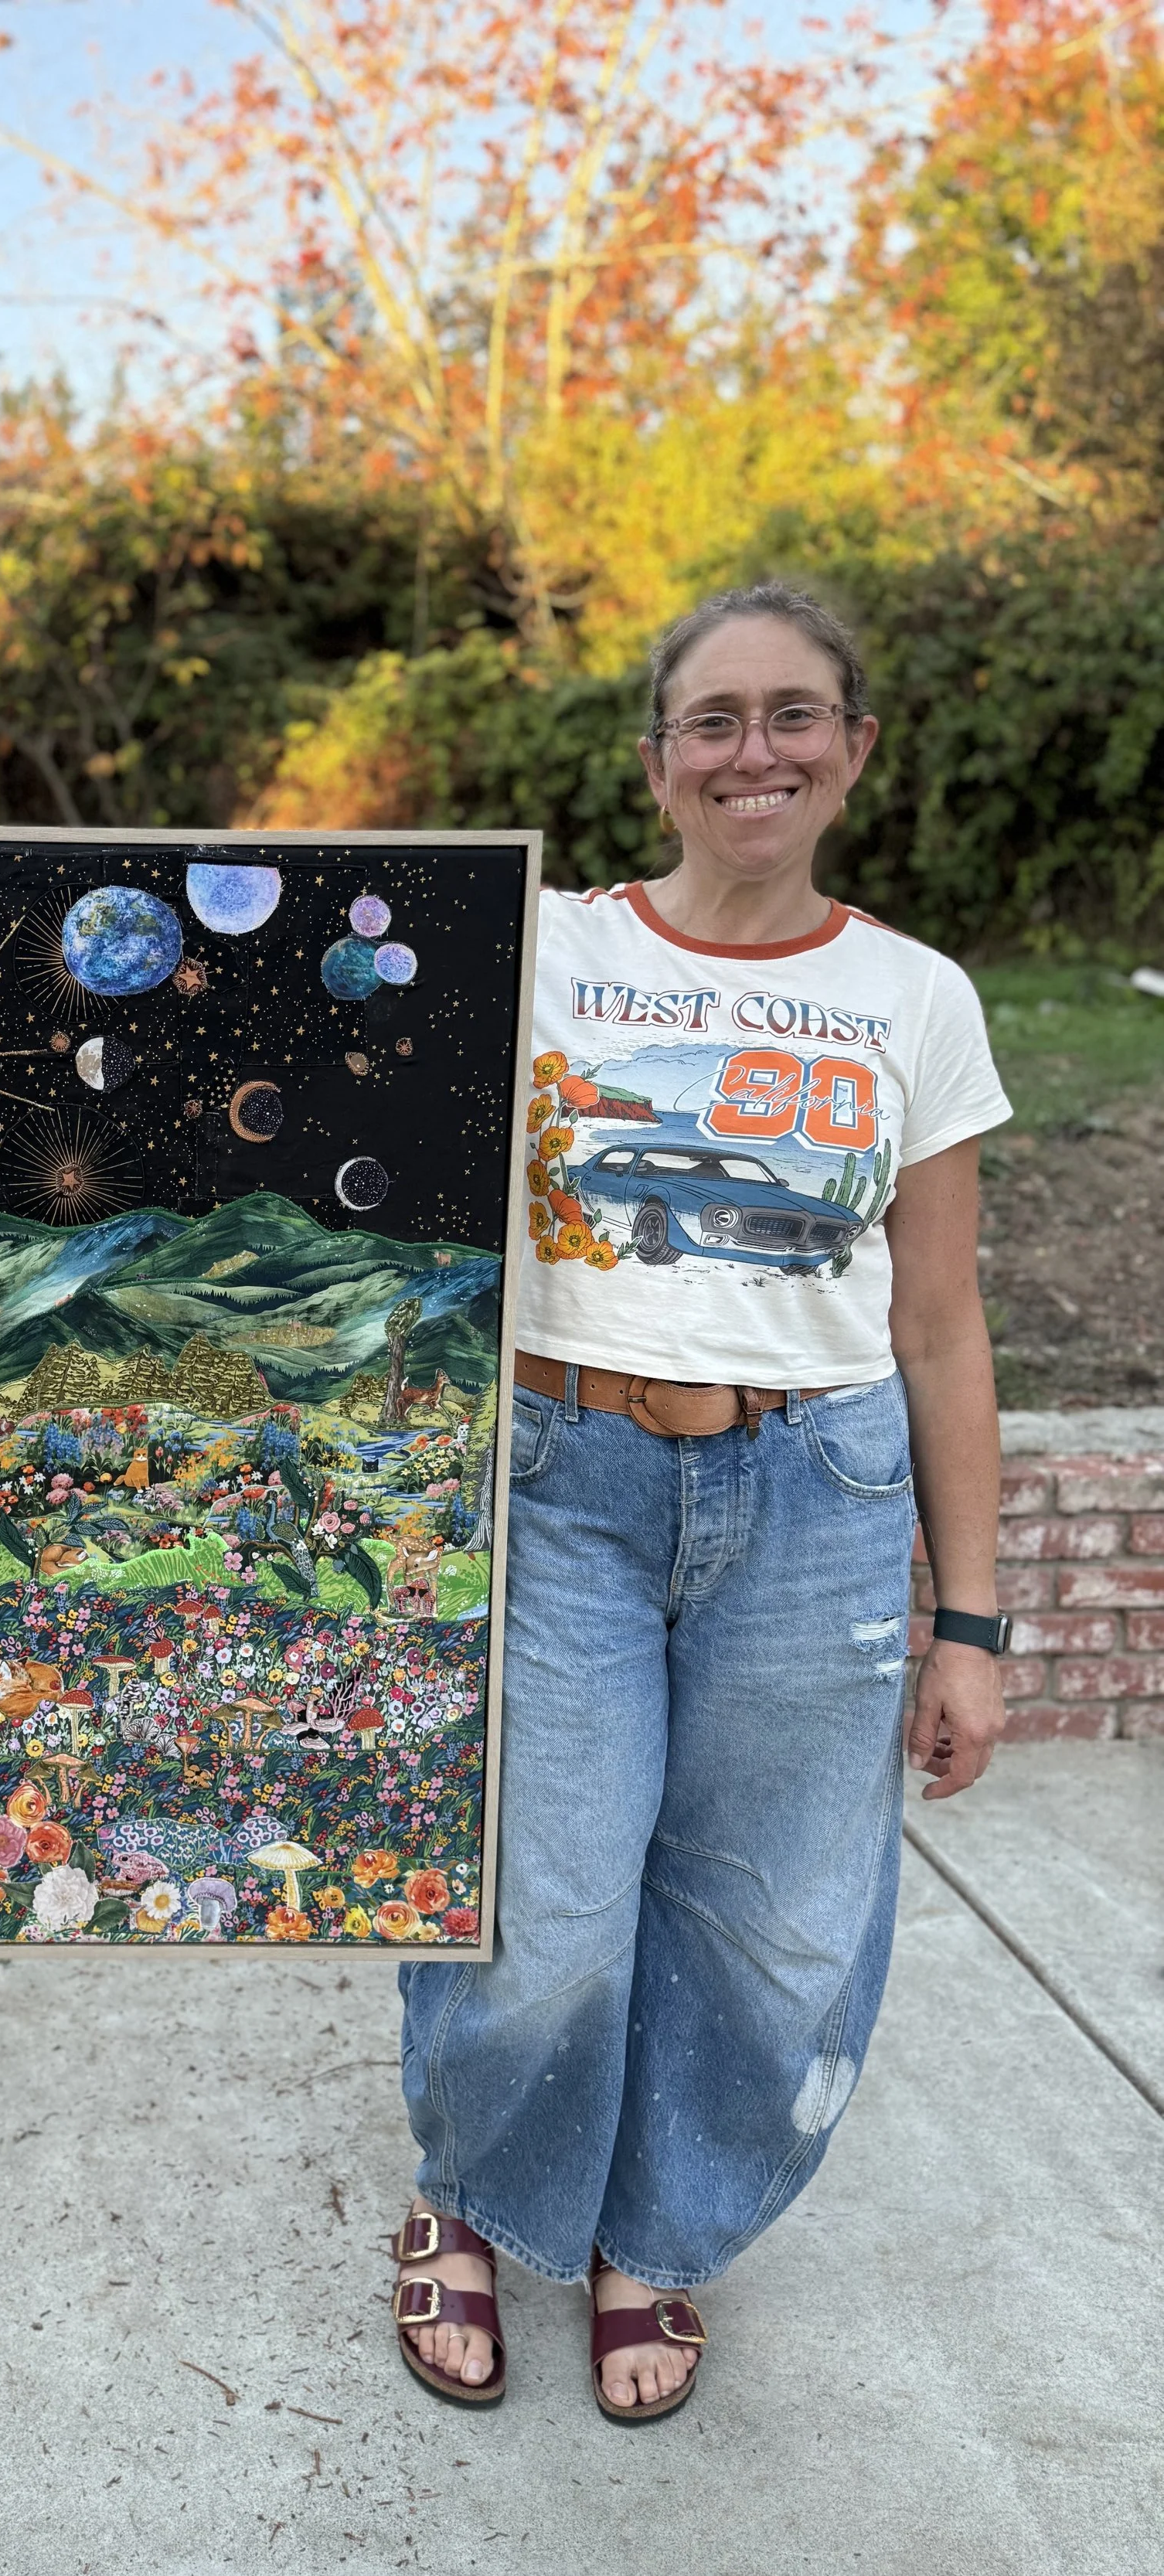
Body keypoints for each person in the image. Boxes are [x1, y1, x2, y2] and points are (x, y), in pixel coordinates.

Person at [389, 581, 1012, 2420]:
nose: (756, 751)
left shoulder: (913, 997)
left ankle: (653, 2237)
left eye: (792, 713)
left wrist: (969, 1623)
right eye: (713, 719)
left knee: (774, 1920)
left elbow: (938, 1322)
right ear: (655, 759)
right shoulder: (538, 950)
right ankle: (471, 2191)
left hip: (815, 1493)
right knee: (544, 1915)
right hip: (555, 1482)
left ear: (852, 748)